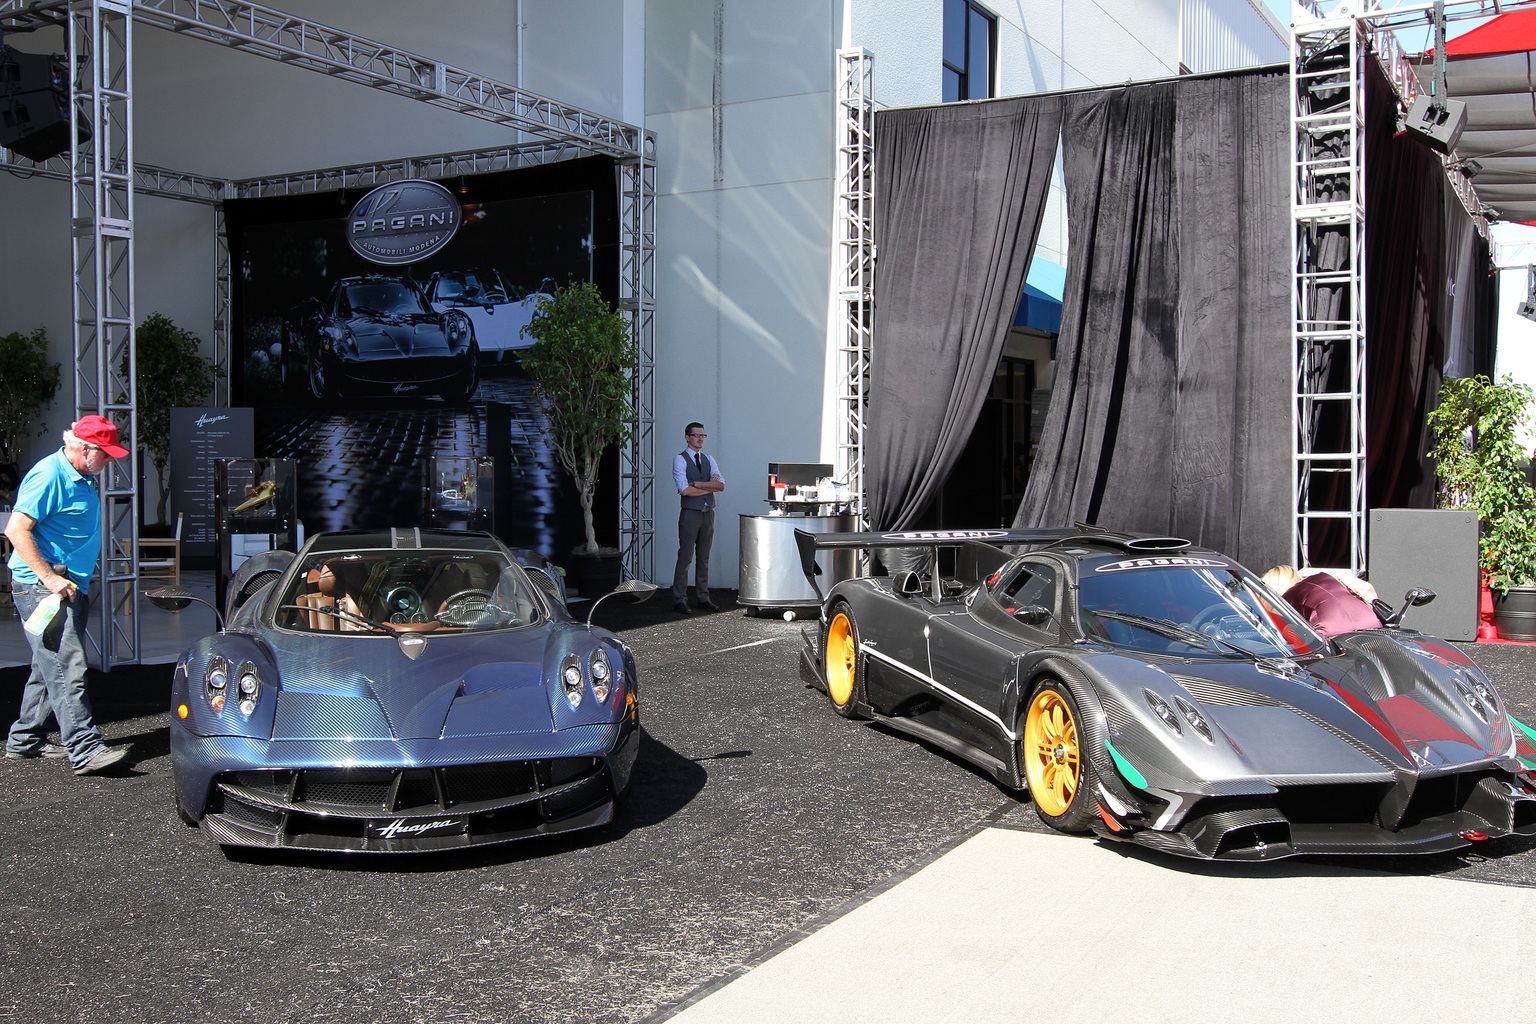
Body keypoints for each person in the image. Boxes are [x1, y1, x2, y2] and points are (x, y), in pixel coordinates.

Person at [4, 416, 131, 775]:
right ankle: (85, 748)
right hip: (44, 588)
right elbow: (15, 529)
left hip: (68, 585)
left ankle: (24, 739)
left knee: (48, 668)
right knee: (67, 666)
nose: (110, 461)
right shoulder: (49, 476)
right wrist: (48, 578)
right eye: (105, 455)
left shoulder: (84, 474)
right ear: (84, 448)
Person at [672, 421, 724, 614]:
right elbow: (684, 490)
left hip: (708, 513)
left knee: (704, 558)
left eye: (703, 436)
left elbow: (720, 486)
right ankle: (679, 598)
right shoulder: (680, 459)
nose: (700, 439)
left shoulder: (709, 459)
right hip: (690, 514)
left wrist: (698, 484)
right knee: (685, 557)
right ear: (688, 437)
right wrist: (708, 485)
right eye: (696, 435)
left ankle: (703, 597)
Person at [1261, 564, 1381, 639]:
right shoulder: (1327, 575)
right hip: (1371, 624)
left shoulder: (1284, 602)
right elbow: (1367, 588)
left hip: (1332, 633)